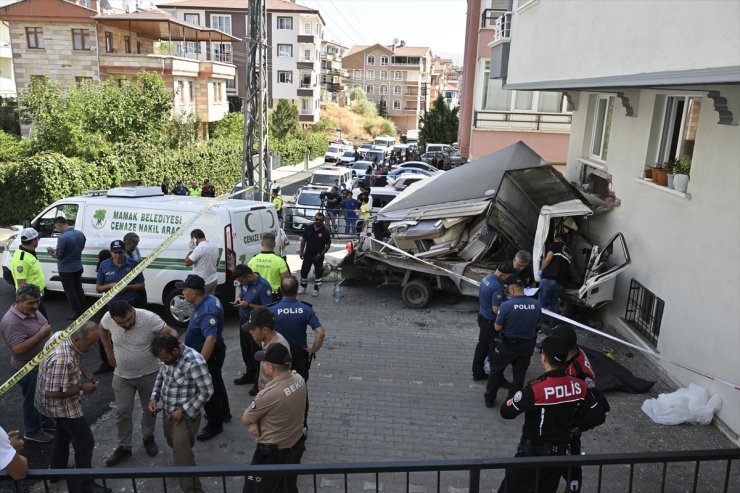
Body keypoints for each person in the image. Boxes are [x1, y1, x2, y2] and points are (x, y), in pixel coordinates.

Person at [497, 336, 606, 493]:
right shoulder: (580, 386)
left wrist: (514, 396)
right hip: (558, 457)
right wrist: (575, 426)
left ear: (543, 358)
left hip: (532, 455)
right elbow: (598, 415)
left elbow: (506, 412)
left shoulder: (536, 389)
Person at [99, 301, 179, 466]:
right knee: (122, 412)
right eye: (121, 323)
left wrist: (166, 352)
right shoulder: (107, 318)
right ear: (114, 319)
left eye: (129, 319)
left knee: (149, 409)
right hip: (122, 376)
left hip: (149, 375)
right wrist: (108, 352)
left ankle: (148, 437)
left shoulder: (149, 318)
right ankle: (124, 446)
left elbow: (172, 332)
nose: (127, 324)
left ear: (132, 310)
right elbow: (102, 328)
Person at [35, 322, 111, 493]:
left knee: (63, 435)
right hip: (61, 406)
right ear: (77, 339)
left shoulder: (63, 334)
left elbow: (71, 363)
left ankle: (56, 472)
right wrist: (83, 389)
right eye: (90, 344)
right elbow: (52, 392)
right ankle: (85, 484)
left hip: (56, 404)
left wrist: (81, 371)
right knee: (85, 441)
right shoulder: (62, 359)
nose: (92, 348)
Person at [148, 334, 213, 493]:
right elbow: (161, 376)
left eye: (165, 359)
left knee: (182, 455)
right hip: (168, 413)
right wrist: (154, 398)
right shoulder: (167, 357)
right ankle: (182, 458)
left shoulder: (194, 362)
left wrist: (183, 412)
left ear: (176, 350)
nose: (163, 362)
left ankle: (192, 489)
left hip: (184, 417)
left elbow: (207, 391)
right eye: (161, 360)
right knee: (172, 443)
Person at [551, 324, 609, 493]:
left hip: (568, 427)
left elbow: (595, 405)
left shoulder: (578, 371)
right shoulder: (572, 355)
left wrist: (576, 426)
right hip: (560, 422)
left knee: (570, 468)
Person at [241, 344, 306, 493]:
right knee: (287, 487)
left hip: (271, 455)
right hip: (294, 447)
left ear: (270, 367)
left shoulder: (268, 395)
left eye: (263, 361)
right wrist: (255, 421)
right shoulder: (299, 379)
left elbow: (245, 418)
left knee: (253, 489)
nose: (261, 363)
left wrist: (253, 421)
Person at [178, 275, 230, 441]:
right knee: (217, 383)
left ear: (193, 292)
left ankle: (215, 424)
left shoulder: (207, 312)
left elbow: (211, 338)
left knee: (208, 390)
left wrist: (201, 363)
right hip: (212, 353)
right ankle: (224, 413)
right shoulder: (209, 299)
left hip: (209, 354)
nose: (182, 293)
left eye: (184, 290)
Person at [0, 284, 54, 443]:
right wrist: (41, 335)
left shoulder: (31, 311)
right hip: (28, 369)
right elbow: (18, 349)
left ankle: (44, 422)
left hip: (41, 365)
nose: (36, 306)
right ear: (18, 302)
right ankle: (33, 431)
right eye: (31, 303)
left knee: (42, 396)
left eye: (37, 301)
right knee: (31, 401)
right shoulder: (11, 322)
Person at [269, 276, 325, 429]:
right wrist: (313, 349)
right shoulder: (306, 309)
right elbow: (320, 333)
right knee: (300, 389)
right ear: (296, 290)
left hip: (278, 356)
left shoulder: (272, 310)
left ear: (281, 290)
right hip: (299, 356)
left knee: (277, 389)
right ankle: (302, 426)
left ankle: (281, 424)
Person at [485, 276, 541, 408]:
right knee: (519, 375)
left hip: (508, 344)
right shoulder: (536, 304)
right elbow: (537, 324)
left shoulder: (506, 305)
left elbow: (497, 327)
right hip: (527, 345)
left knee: (496, 370)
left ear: (512, 290)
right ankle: (513, 401)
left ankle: (490, 398)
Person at [472, 263, 515, 382]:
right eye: (507, 277)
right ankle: (497, 379)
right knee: (495, 351)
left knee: (482, 347)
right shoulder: (497, 287)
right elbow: (496, 310)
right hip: (491, 322)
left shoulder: (486, 278)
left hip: (482, 317)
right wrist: (509, 306)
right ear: (502, 275)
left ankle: (477, 373)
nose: (507, 280)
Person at [232, 265, 274, 389]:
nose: (241, 283)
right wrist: (240, 298)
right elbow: (244, 292)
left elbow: (268, 307)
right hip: (244, 322)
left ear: (249, 276)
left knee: (255, 352)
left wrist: (248, 305)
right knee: (245, 350)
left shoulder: (263, 285)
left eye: (242, 281)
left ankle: (258, 380)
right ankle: (249, 374)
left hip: (255, 325)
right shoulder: (245, 282)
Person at [243, 307, 291, 396]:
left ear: (265, 330)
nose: (250, 332)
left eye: (253, 329)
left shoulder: (278, 348)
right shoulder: (267, 339)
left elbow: (280, 380)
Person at [49, 216, 86, 318]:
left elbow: (59, 256)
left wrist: (51, 252)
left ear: (59, 225)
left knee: (70, 291)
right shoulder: (80, 234)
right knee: (78, 288)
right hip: (78, 266)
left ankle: (77, 312)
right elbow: (81, 247)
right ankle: (83, 308)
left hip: (66, 269)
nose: (57, 229)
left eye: (57, 227)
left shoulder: (63, 238)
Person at [10, 227, 48, 318]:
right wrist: (28, 304)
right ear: (34, 241)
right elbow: (21, 284)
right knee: (41, 322)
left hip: (36, 296)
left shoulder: (29, 252)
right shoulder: (21, 259)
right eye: (37, 239)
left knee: (42, 321)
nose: (38, 240)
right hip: (31, 299)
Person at [538, 234, 572, 329]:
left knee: (541, 304)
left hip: (549, 279)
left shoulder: (555, 244)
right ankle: (551, 327)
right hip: (560, 283)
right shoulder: (569, 252)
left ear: (556, 239)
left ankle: (536, 326)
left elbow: (548, 258)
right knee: (554, 305)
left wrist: (541, 270)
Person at [298, 213, 332, 297]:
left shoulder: (325, 231)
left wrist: (321, 254)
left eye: (320, 220)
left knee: (318, 273)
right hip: (308, 254)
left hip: (318, 256)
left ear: (323, 221)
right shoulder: (309, 228)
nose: (318, 221)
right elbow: (303, 239)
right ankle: (303, 287)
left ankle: (316, 289)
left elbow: (328, 245)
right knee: (304, 271)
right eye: (316, 219)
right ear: (314, 218)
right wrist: (301, 251)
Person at [248, 233, 290, 298]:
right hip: (273, 295)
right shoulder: (280, 261)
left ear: (262, 243)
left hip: (256, 294)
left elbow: (248, 279)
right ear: (275, 244)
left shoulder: (252, 260)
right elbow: (287, 280)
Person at [184, 229, 220, 295]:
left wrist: (191, 250)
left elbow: (187, 263)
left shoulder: (200, 248)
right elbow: (216, 264)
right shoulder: (214, 246)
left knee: (200, 303)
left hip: (202, 283)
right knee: (209, 301)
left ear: (194, 238)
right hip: (213, 280)